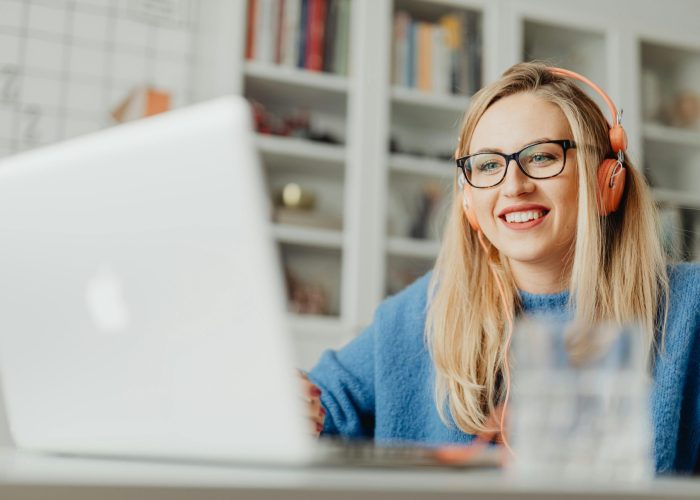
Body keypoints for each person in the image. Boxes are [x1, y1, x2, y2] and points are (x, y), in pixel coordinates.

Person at [302, 62, 700, 474]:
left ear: (606, 182)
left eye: (542, 156)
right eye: (489, 165)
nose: (514, 185)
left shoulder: (690, 308)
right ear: (469, 200)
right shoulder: (420, 312)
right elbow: (322, 405)